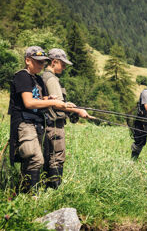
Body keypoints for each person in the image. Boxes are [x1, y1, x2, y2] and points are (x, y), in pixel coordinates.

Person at [8, 46, 73, 193]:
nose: (41, 65)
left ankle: (27, 193)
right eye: (38, 62)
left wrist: (53, 100)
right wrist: (52, 102)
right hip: (24, 123)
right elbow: (29, 103)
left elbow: (41, 98)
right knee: (35, 158)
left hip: (36, 123)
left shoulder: (37, 78)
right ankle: (31, 196)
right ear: (27, 60)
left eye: (43, 62)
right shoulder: (22, 76)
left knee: (36, 159)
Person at [42, 48, 93, 189]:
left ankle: (48, 188)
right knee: (57, 158)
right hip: (54, 125)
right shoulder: (51, 79)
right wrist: (79, 111)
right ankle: (54, 190)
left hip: (49, 123)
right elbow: (59, 105)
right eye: (62, 64)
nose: (64, 67)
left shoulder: (45, 77)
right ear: (54, 62)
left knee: (50, 157)